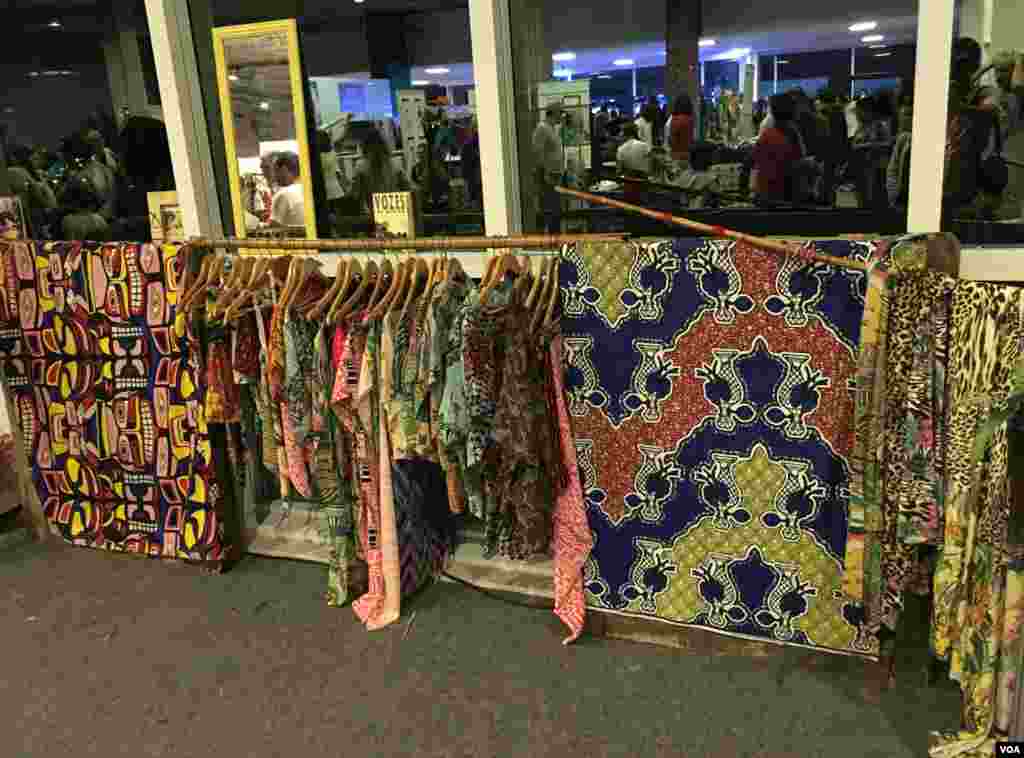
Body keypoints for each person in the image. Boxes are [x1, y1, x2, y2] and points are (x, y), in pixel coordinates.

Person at [751, 93, 803, 206]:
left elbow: (752, 161)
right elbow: (797, 163)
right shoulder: (793, 134)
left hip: (767, 193)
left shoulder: (767, 135)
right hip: (786, 193)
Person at [532, 105, 564, 232]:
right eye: (560, 113)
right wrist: (544, 172)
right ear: (552, 114)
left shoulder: (552, 129)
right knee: (550, 208)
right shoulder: (542, 129)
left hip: (554, 174)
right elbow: (537, 152)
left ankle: (555, 236)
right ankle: (550, 238)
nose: (561, 116)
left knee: (555, 208)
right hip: (548, 176)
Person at [676, 143, 723, 209]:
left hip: (683, 212)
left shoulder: (684, 174)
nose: (717, 157)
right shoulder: (710, 178)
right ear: (705, 157)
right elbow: (719, 200)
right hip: (700, 214)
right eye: (714, 154)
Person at [269, 152, 305, 228]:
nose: (274, 176)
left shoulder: (283, 194)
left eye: (275, 170)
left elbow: (273, 229)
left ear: (284, 169)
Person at [667, 94, 695, 167]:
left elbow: (672, 139)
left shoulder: (674, 119)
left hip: (676, 155)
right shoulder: (690, 119)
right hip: (688, 155)